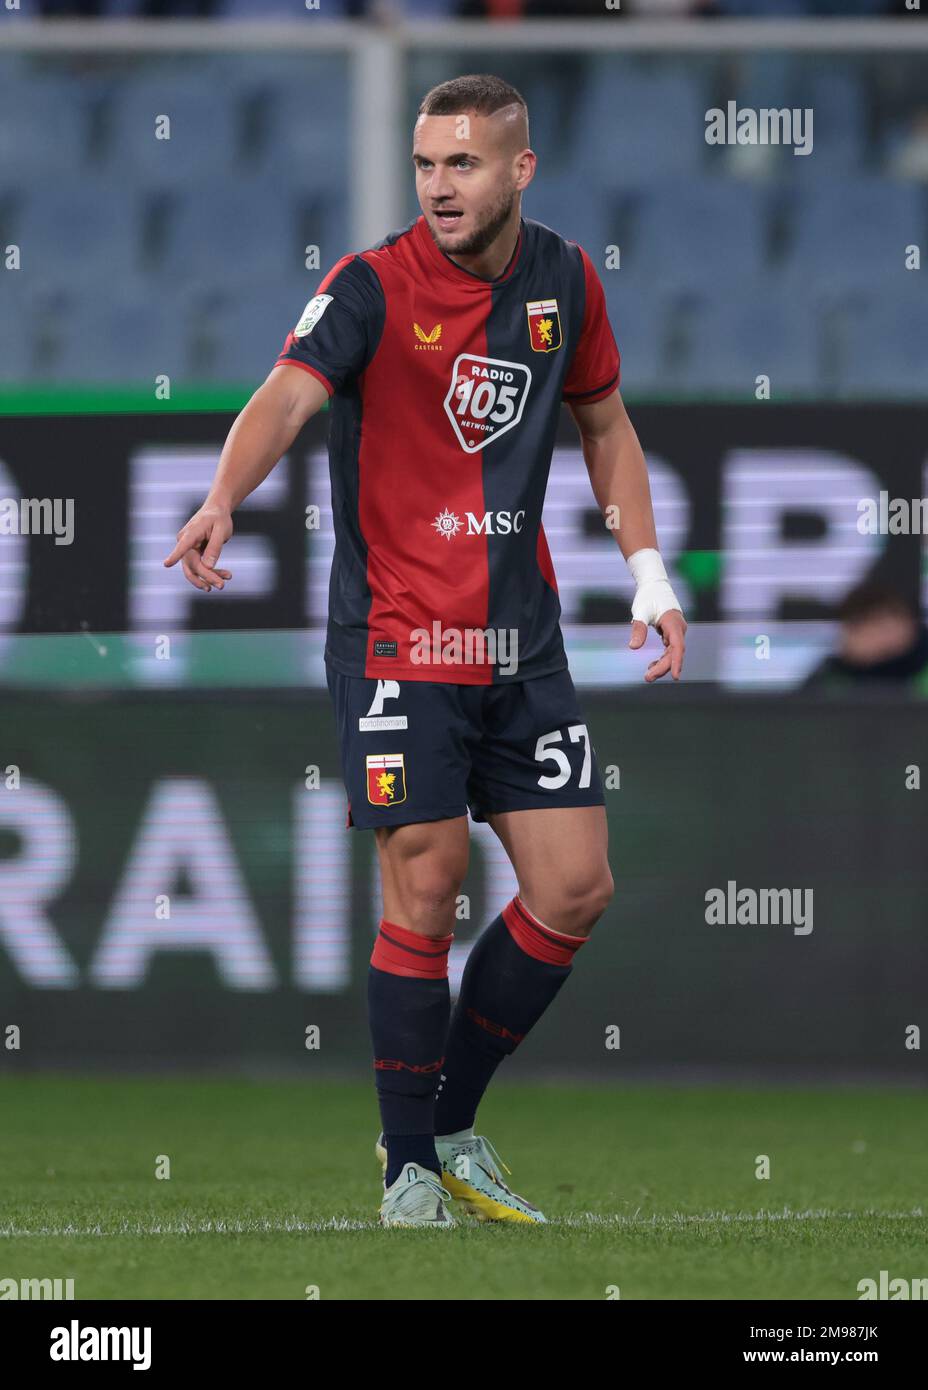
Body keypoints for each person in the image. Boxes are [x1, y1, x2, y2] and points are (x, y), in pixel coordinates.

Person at [164, 73, 686, 1228]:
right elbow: (284, 397)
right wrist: (221, 499)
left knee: (574, 886)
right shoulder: (370, 286)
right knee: (429, 883)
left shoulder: (564, 278)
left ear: (518, 170)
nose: (438, 187)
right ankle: (408, 1172)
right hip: (401, 639)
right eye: (424, 164)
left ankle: (444, 1123)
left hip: (521, 640)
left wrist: (649, 576)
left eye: (461, 164)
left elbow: (605, 424)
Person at [803, 581, 928, 693]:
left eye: (882, 624)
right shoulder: (830, 678)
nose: (874, 636)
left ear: (909, 624)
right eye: (859, 628)